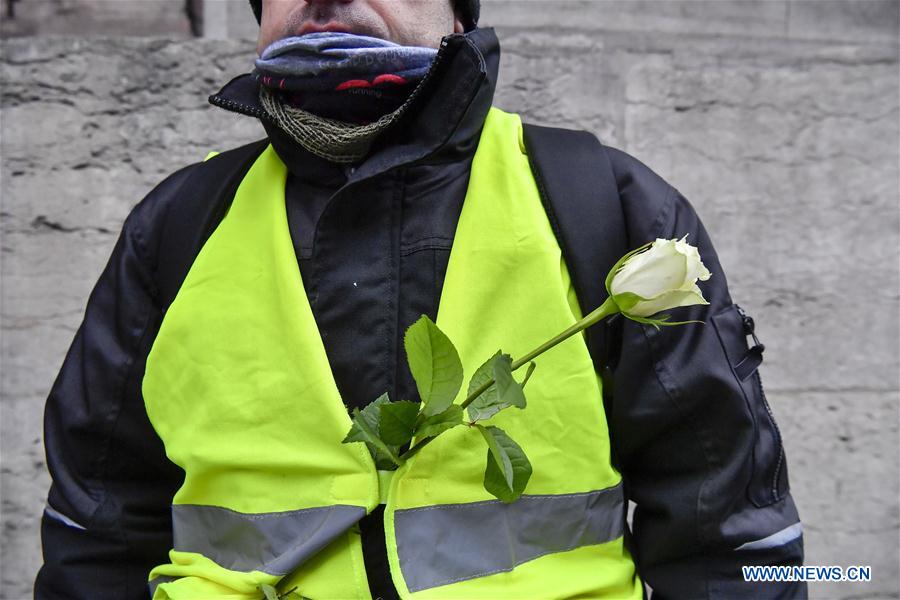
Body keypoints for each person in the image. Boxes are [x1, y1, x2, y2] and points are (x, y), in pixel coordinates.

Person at [34, 1, 806, 599]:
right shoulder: (179, 225)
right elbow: (96, 533)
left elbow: (730, 542)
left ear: (460, 10)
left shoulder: (606, 205)